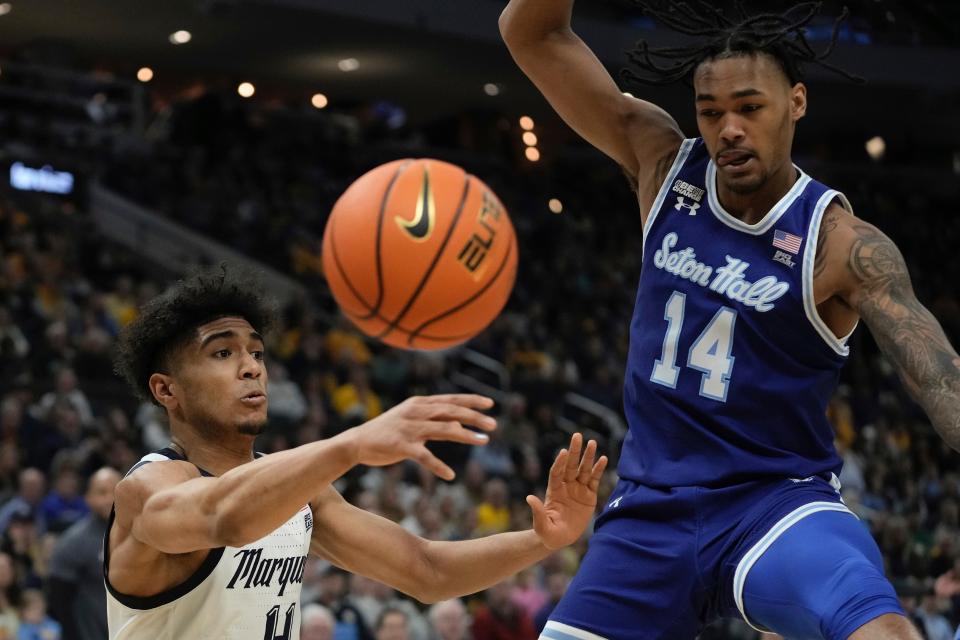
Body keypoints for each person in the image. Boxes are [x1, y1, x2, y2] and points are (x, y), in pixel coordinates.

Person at [499, 1, 960, 639]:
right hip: (649, 515)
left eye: (750, 107)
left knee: (882, 631)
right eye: (711, 112)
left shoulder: (842, 244)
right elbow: (533, 33)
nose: (729, 129)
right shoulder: (663, 166)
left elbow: (942, 384)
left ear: (796, 102)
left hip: (774, 504)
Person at [104, 266, 607, 639]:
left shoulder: (298, 495)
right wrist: (351, 445)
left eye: (256, 352)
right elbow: (224, 517)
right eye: (222, 353)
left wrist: (542, 541)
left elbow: (427, 571)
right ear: (166, 391)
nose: (251, 367)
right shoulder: (147, 489)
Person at [48, 467, 120, 640]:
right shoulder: (72, 543)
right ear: (88, 498)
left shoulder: (143, 535)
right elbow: (59, 603)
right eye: (102, 492)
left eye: (115, 490)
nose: (110, 499)